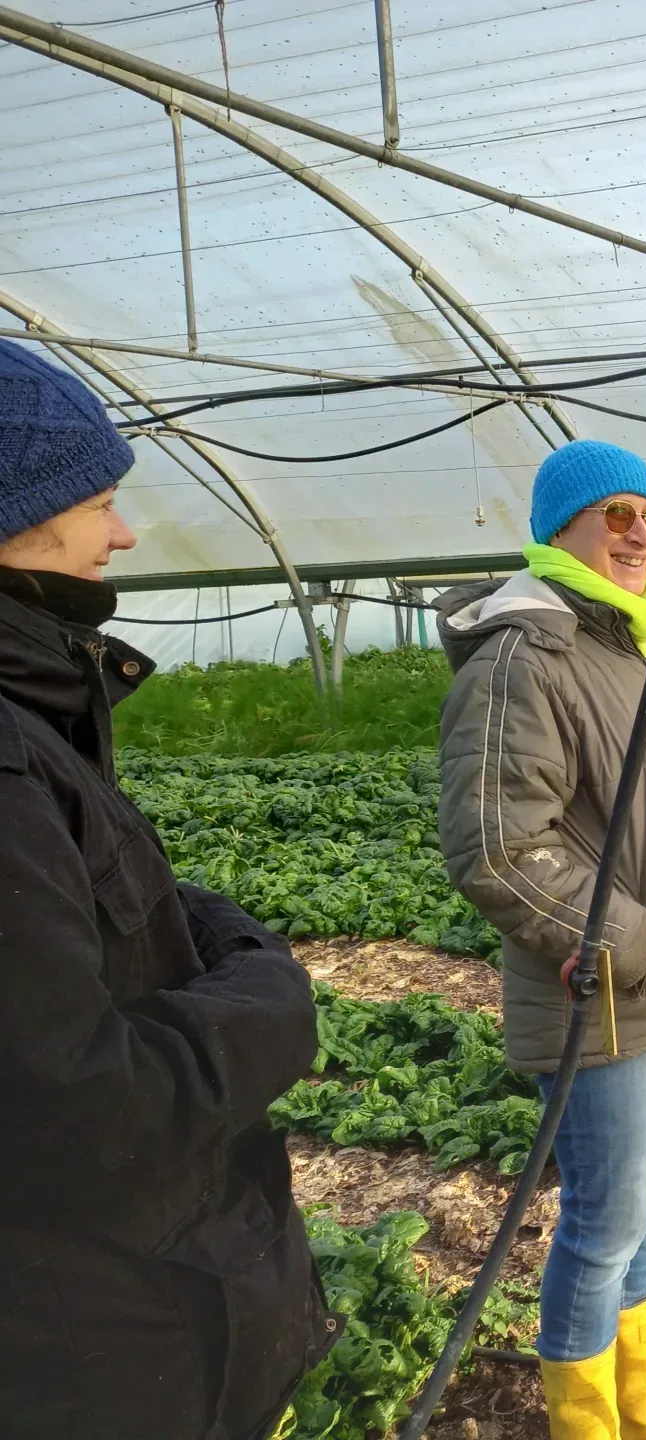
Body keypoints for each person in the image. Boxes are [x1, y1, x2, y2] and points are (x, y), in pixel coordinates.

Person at [0, 338, 332, 1439]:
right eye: (99, 500)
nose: (125, 532)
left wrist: (202, 934)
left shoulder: (39, 712)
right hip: (92, 1338)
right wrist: (274, 1001)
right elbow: (79, 1101)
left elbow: (94, 910)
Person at [436, 439, 646, 1440]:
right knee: (604, 1217)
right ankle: (585, 1425)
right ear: (559, 528)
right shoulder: (524, 656)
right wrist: (628, 938)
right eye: (615, 514)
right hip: (609, 987)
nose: (639, 534)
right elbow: (497, 844)